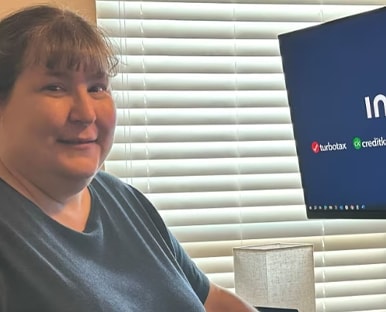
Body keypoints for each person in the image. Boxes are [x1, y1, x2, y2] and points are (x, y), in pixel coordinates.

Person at [0, 5, 257, 311]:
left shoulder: (123, 200)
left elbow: (213, 302)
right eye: (55, 87)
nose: (86, 113)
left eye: (97, 87)